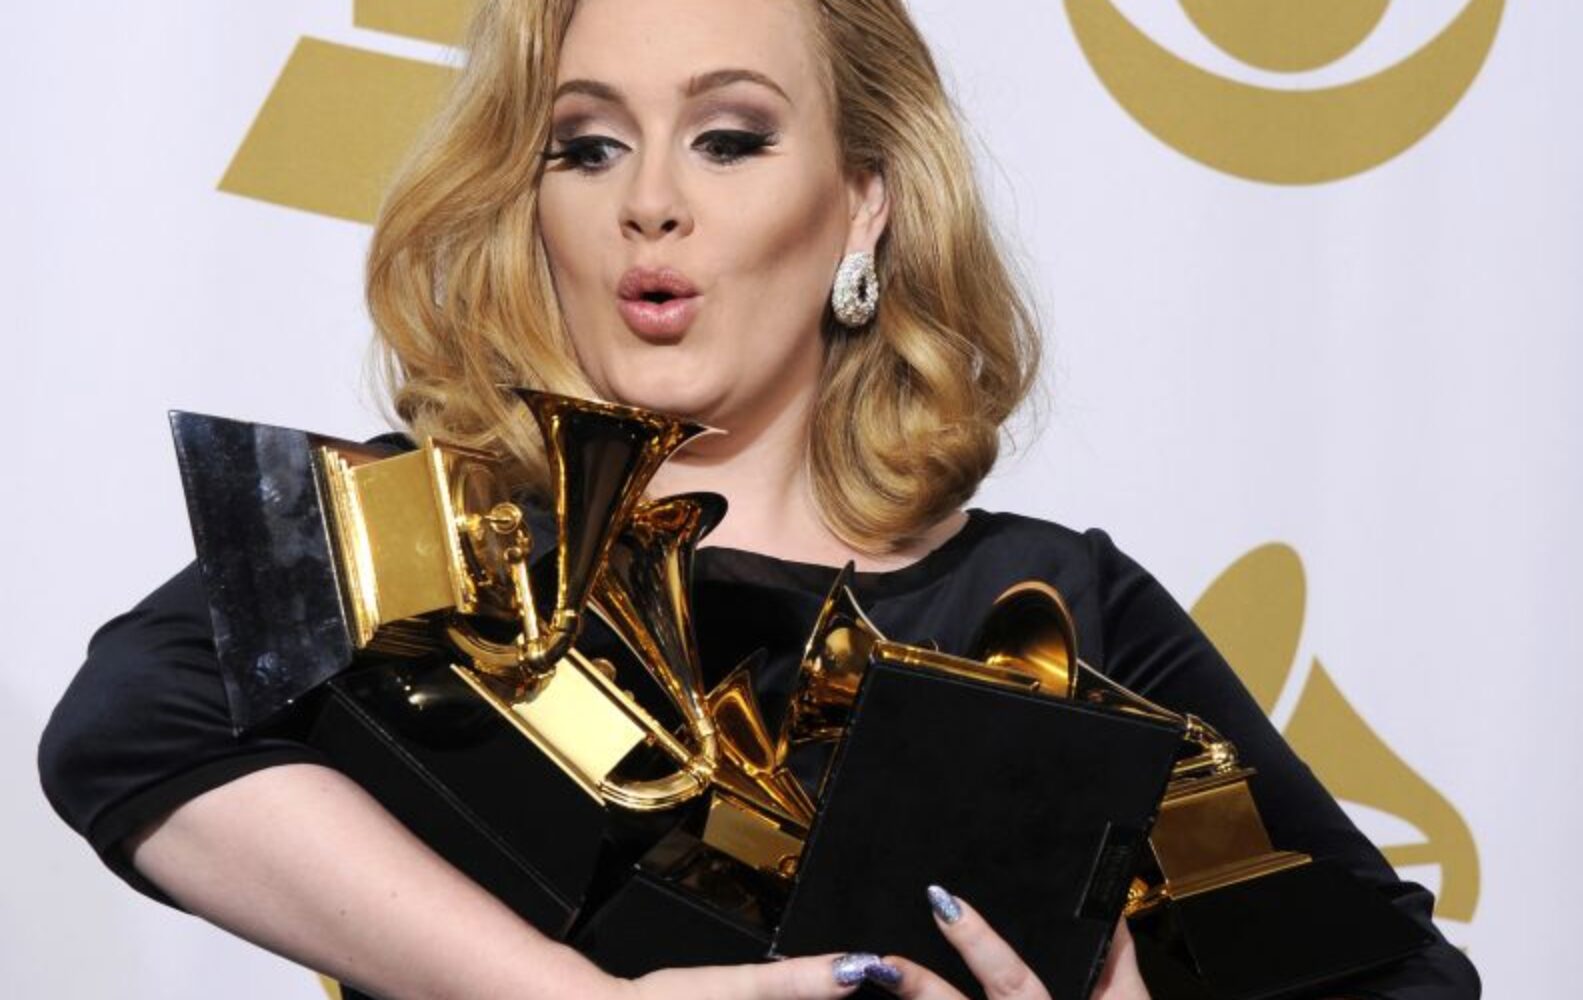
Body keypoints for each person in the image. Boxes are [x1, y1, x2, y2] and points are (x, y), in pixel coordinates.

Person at [38, 0, 1479, 997]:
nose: (648, 202)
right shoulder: (443, 548)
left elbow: (1400, 978)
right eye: (587, 145)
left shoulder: (1048, 607)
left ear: (863, 202)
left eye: (730, 138)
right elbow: (127, 731)